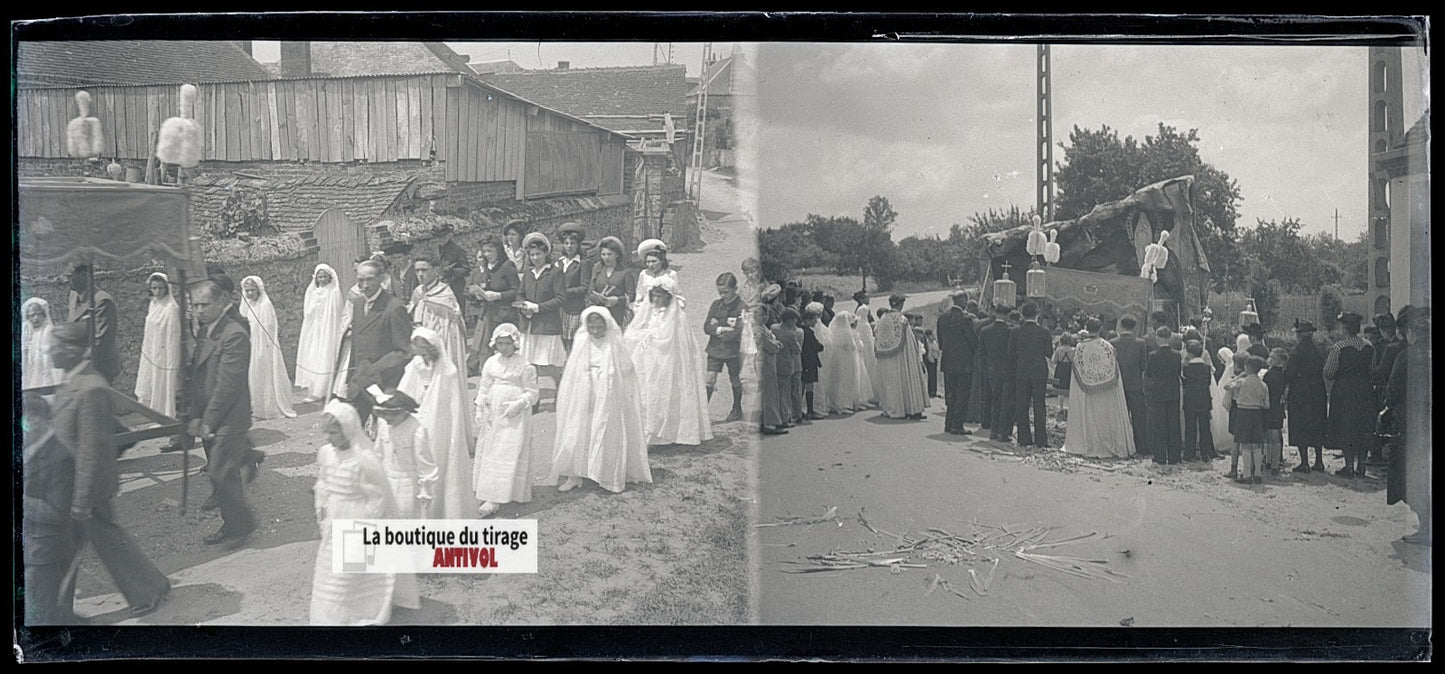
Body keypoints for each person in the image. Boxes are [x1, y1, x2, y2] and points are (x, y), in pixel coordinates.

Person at [47, 323, 173, 618]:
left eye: (56, 347)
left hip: (85, 484)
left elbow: (92, 451)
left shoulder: (91, 388)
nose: (49, 352)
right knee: (87, 541)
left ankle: (148, 588)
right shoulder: (72, 380)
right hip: (70, 481)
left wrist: (81, 500)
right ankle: (60, 609)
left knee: (104, 539)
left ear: (77, 351)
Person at [309, 400, 419, 626]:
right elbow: (323, 483)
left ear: (348, 430)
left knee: (351, 574)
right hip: (334, 517)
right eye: (326, 432)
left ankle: (359, 610)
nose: (328, 437)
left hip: (357, 519)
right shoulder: (326, 454)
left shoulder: (363, 460)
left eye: (333, 432)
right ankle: (331, 615)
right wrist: (324, 511)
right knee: (330, 570)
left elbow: (378, 496)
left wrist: (367, 524)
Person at [187, 279, 263, 545]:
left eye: (204, 305)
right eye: (194, 305)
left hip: (230, 416)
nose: (198, 310)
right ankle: (234, 525)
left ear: (221, 303)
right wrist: (196, 414)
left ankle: (242, 527)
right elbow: (198, 377)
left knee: (219, 471)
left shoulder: (234, 334)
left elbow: (227, 386)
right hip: (210, 414)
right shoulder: (206, 332)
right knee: (223, 472)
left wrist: (208, 420)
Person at [550, 307, 652, 494]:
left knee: (604, 430)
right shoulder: (582, 340)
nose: (595, 331)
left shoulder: (614, 342)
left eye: (599, 327)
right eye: (592, 327)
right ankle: (575, 474)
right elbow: (572, 369)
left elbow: (627, 370)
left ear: (607, 325)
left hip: (608, 392)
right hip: (584, 392)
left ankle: (606, 475)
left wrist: (613, 373)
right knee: (579, 429)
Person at [628, 275, 715, 445]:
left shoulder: (677, 315)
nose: (656, 299)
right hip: (647, 359)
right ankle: (647, 432)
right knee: (646, 393)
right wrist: (642, 337)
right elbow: (635, 330)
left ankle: (668, 433)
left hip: (668, 360)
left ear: (668, 297)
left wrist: (654, 339)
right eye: (654, 296)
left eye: (660, 296)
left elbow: (678, 341)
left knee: (665, 394)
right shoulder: (648, 311)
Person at [398, 327, 475, 519]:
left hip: (440, 422)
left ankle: (440, 508)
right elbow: (406, 389)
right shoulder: (415, 365)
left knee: (437, 459)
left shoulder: (448, 371)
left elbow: (453, 405)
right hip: (418, 415)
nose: (421, 354)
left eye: (424, 349)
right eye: (418, 349)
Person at [23, 391, 85, 624]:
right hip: (35, 546)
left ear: (39, 421)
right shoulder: (31, 448)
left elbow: (56, 512)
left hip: (46, 550)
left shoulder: (59, 457)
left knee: (40, 620)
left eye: (23, 423)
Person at [472, 323, 540, 517]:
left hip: (515, 414)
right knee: (493, 450)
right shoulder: (491, 363)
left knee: (509, 450)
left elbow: (533, 393)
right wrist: (479, 408)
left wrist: (518, 404)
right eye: (500, 343)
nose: (503, 348)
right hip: (493, 411)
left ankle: (513, 491)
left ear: (515, 343)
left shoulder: (525, 366)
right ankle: (492, 495)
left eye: (507, 344)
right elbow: (484, 387)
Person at [344, 261, 414, 425]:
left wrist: (375, 369)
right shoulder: (358, 304)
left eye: (369, 280)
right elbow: (356, 346)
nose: (365, 285)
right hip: (359, 384)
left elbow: (405, 351)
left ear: (381, 279)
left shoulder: (394, 307)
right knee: (352, 431)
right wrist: (350, 378)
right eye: (360, 280)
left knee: (384, 435)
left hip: (384, 383)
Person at [1385, 306, 1430, 544]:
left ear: (1412, 332)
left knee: (1413, 478)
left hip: (1411, 427)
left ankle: (1426, 529)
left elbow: (1391, 393)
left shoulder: (1406, 357)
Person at [1062, 318, 1137, 459]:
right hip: (1106, 392)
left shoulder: (1080, 347)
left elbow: (1077, 371)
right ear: (1101, 328)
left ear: (1086, 328)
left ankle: (1086, 443)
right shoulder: (1107, 346)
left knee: (1088, 417)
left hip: (1086, 392)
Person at [369, 388, 436, 519]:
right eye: (383, 415)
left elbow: (425, 463)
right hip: (386, 480)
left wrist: (425, 490)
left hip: (407, 485)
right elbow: (378, 451)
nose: (387, 419)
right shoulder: (383, 424)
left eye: (391, 416)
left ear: (404, 412)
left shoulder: (416, 431)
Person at [1325, 312, 1376, 478]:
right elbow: (1372, 369)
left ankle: (1348, 466)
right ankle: (1361, 465)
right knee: (1363, 426)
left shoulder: (1338, 347)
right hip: (1366, 390)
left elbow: (1329, 372)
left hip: (1344, 391)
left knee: (1346, 425)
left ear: (1345, 328)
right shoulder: (1370, 346)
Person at [518, 232, 569, 399]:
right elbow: (520, 294)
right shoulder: (528, 273)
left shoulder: (555, 272)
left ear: (546, 253)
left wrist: (538, 307)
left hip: (548, 325)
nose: (535, 258)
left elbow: (561, 298)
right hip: (530, 325)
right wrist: (523, 307)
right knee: (530, 364)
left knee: (551, 364)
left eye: (538, 254)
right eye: (532, 255)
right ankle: (534, 398)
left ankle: (561, 394)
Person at [239, 276, 298, 420]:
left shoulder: (265, 305)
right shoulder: (246, 304)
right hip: (250, 343)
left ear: (259, 289)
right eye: (247, 291)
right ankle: (254, 407)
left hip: (262, 346)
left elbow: (268, 328)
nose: (250, 294)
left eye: (252, 290)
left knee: (263, 373)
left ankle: (267, 408)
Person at [409, 254, 469, 382]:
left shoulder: (444, 294)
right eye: (417, 270)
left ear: (435, 271)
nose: (420, 274)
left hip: (441, 342)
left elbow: (452, 326)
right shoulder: (418, 291)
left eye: (424, 270)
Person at [465, 235, 520, 372]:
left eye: (490, 251)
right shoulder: (488, 267)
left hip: (505, 315)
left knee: (505, 347)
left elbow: (517, 290)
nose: (487, 254)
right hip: (488, 314)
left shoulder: (507, 266)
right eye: (484, 251)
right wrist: (479, 294)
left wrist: (498, 295)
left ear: (498, 251)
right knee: (486, 348)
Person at [296, 264, 349, 403]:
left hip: (327, 328)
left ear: (330, 277)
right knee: (313, 355)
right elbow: (308, 311)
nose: (322, 279)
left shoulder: (333, 291)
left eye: (325, 276)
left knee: (325, 354)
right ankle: (314, 389)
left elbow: (335, 312)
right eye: (319, 277)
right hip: (315, 328)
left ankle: (324, 389)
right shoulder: (312, 291)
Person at [873, 294, 929, 421]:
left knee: (890, 382)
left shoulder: (883, 319)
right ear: (900, 304)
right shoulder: (902, 320)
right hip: (901, 357)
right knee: (904, 379)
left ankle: (890, 408)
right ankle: (910, 408)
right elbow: (909, 342)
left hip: (885, 357)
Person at [134, 274, 181, 418]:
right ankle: (153, 412)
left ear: (167, 288)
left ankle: (165, 413)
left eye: (161, 288)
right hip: (152, 348)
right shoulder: (153, 304)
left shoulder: (171, 307)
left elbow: (173, 335)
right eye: (154, 288)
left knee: (162, 379)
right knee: (151, 378)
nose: (157, 291)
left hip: (165, 350)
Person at [1285, 320, 1329, 472]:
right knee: (1317, 423)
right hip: (1317, 388)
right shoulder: (1318, 350)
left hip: (1300, 390)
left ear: (1299, 334)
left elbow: (1289, 373)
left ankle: (1304, 462)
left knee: (1300, 423)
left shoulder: (1296, 351)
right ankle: (1319, 460)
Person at [67, 264, 121, 384]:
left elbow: (102, 341)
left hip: (99, 365)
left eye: (69, 276)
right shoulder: (73, 296)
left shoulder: (102, 301)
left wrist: (79, 365)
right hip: (80, 365)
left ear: (84, 275)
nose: (66, 280)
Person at [703, 272, 747, 422]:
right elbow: (707, 327)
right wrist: (722, 330)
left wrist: (720, 330)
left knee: (735, 379)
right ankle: (702, 413)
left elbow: (738, 331)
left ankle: (736, 408)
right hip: (715, 349)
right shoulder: (716, 305)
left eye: (726, 292)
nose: (723, 295)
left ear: (735, 288)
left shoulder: (742, 307)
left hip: (733, 351)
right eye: (720, 292)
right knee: (709, 379)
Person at [1010, 302, 1053, 448]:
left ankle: (1024, 437)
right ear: (1037, 314)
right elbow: (1049, 353)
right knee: (1039, 405)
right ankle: (1041, 439)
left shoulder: (1016, 332)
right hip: (1039, 371)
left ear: (1022, 315)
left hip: (1022, 370)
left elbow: (1010, 353)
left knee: (1022, 404)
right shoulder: (1044, 332)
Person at [936, 291, 978, 436]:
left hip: (948, 361)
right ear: (964, 301)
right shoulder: (965, 319)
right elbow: (973, 341)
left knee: (951, 394)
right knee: (962, 395)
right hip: (964, 362)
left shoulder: (942, 318)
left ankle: (949, 423)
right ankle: (957, 425)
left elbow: (940, 342)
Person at [1226, 355, 1270, 484]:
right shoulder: (1263, 385)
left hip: (1243, 412)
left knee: (1244, 443)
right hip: (1257, 413)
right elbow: (1267, 405)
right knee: (1256, 444)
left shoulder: (1241, 382)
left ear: (1247, 367)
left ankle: (1246, 474)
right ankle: (1257, 473)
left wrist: (1239, 376)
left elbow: (1227, 386)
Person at [1368, 312, 1405, 466]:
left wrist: (1370, 369)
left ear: (1383, 330)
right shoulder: (1403, 344)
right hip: (1403, 391)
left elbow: (1381, 372)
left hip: (1386, 388)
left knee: (1381, 422)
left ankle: (1378, 455)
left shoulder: (1390, 348)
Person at [1111, 316, 1150, 458]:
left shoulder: (1112, 343)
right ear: (1134, 327)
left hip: (1118, 385)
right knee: (1139, 417)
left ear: (1121, 326)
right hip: (1135, 384)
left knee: (1120, 416)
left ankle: (1120, 445)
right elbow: (1143, 365)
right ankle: (1141, 446)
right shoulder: (1140, 343)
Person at [1144, 326, 1183, 464]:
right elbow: (1178, 372)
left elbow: (1148, 373)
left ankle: (1160, 456)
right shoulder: (1177, 355)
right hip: (1173, 391)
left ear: (1158, 338)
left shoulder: (1153, 355)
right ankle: (1174, 456)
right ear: (1169, 338)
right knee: (1173, 424)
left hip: (1158, 391)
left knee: (1159, 425)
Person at [820, 309, 870, 413]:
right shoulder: (846, 332)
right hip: (847, 360)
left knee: (839, 381)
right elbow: (852, 346)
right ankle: (844, 404)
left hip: (839, 360)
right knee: (847, 381)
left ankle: (842, 402)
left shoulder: (834, 331)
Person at [978, 304, 1015, 439]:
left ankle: (993, 431)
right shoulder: (1011, 331)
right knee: (1007, 402)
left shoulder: (985, 331)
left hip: (992, 371)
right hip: (1008, 371)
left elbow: (982, 354)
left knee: (995, 401)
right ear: (1007, 315)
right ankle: (1003, 432)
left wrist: (987, 369)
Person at [554, 222, 592, 354]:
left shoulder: (583, 263)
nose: (569, 246)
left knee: (574, 340)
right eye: (566, 243)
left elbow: (584, 287)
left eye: (573, 243)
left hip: (574, 308)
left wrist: (563, 293)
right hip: (559, 308)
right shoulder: (558, 263)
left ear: (578, 245)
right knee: (560, 340)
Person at [588, 236, 637, 330]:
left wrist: (617, 300)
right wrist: (597, 297)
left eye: (610, 254)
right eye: (603, 254)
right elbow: (590, 290)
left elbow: (632, 295)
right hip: (599, 313)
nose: (606, 257)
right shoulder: (597, 268)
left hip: (617, 314)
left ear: (617, 255)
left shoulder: (625, 271)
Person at [754, 306, 789, 435]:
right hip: (764, 362)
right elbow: (770, 346)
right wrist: (777, 345)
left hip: (769, 362)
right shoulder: (758, 330)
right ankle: (769, 423)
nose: (765, 317)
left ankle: (768, 421)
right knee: (768, 393)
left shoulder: (763, 328)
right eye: (762, 315)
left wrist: (775, 344)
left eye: (766, 315)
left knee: (769, 392)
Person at [1181, 340, 1217, 461]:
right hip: (1204, 399)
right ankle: (1205, 453)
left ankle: (1189, 453)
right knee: (1204, 427)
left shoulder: (1186, 368)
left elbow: (1184, 383)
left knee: (1190, 427)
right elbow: (1208, 383)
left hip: (1190, 399)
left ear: (1189, 354)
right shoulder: (1207, 368)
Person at [23, 298, 67, 390]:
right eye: (32, 315)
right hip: (32, 368)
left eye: (38, 314)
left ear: (44, 315)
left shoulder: (48, 331)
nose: (35, 318)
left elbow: (47, 355)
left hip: (46, 369)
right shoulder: (27, 333)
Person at [633, 239, 683, 319]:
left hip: (666, 316)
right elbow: (639, 297)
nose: (650, 265)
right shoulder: (644, 275)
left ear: (662, 261)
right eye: (648, 262)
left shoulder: (671, 275)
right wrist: (638, 314)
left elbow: (679, 298)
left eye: (654, 261)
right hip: (646, 315)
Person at [775, 307, 804, 426]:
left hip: (776, 363)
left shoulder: (774, 328)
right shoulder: (791, 334)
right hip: (788, 364)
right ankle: (787, 417)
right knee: (788, 392)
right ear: (789, 320)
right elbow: (798, 350)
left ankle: (784, 415)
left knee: (780, 391)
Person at [1262, 348, 1289, 475]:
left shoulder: (1269, 375)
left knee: (1270, 434)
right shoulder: (1283, 375)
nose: (1270, 359)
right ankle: (1274, 462)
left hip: (1269, 406)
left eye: (1273, 358)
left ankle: (1270, 461)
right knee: (1274, 435)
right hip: (1277, 406)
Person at [852, 291, 880, 403]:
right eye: (866, 297)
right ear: (861, 299)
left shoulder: (862, 313)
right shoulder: (862, 311)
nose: (869, 299)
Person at [800, 304, 827, 420]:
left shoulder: (800, 330)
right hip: (809, 361)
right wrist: (820, 346)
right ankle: (809, 410)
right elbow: (816, 346)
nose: (815, 323)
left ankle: (800, 409)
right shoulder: (808, 333)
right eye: (813, 320)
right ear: (807, 320)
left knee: (803, 386)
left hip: (803, 361)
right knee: (809, 386)